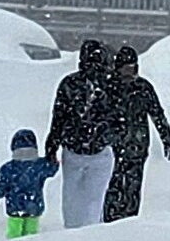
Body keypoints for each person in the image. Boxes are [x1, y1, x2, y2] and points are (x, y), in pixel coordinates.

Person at [46, 39, 120, 229]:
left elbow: (58, 118)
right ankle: (89, 234)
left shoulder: (69, 83)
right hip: (100, 149)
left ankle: (73, 233)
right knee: (94, 202)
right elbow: (119, 119)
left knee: (72, 201)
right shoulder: (110, 85)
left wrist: (52, 146)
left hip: (74, 148)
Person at [104, 44, 170, 223]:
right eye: (125, 68)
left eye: (132, 68)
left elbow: (157, 114)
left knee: (133, 186)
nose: (129, 72)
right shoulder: (109, 86)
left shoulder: (143, 87)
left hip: (138, 146)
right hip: (114, 146)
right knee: (113, 184)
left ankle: (130, 220)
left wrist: (167, 139)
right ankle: (110, 219)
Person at [0, 129, 59, 240]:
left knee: (14, 233)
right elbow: (52, 169)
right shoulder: (40, 166)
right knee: (32, 235)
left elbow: (1, 187)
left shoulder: (8, 168)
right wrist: (53, 159)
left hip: (14, 207)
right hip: (34, 206)